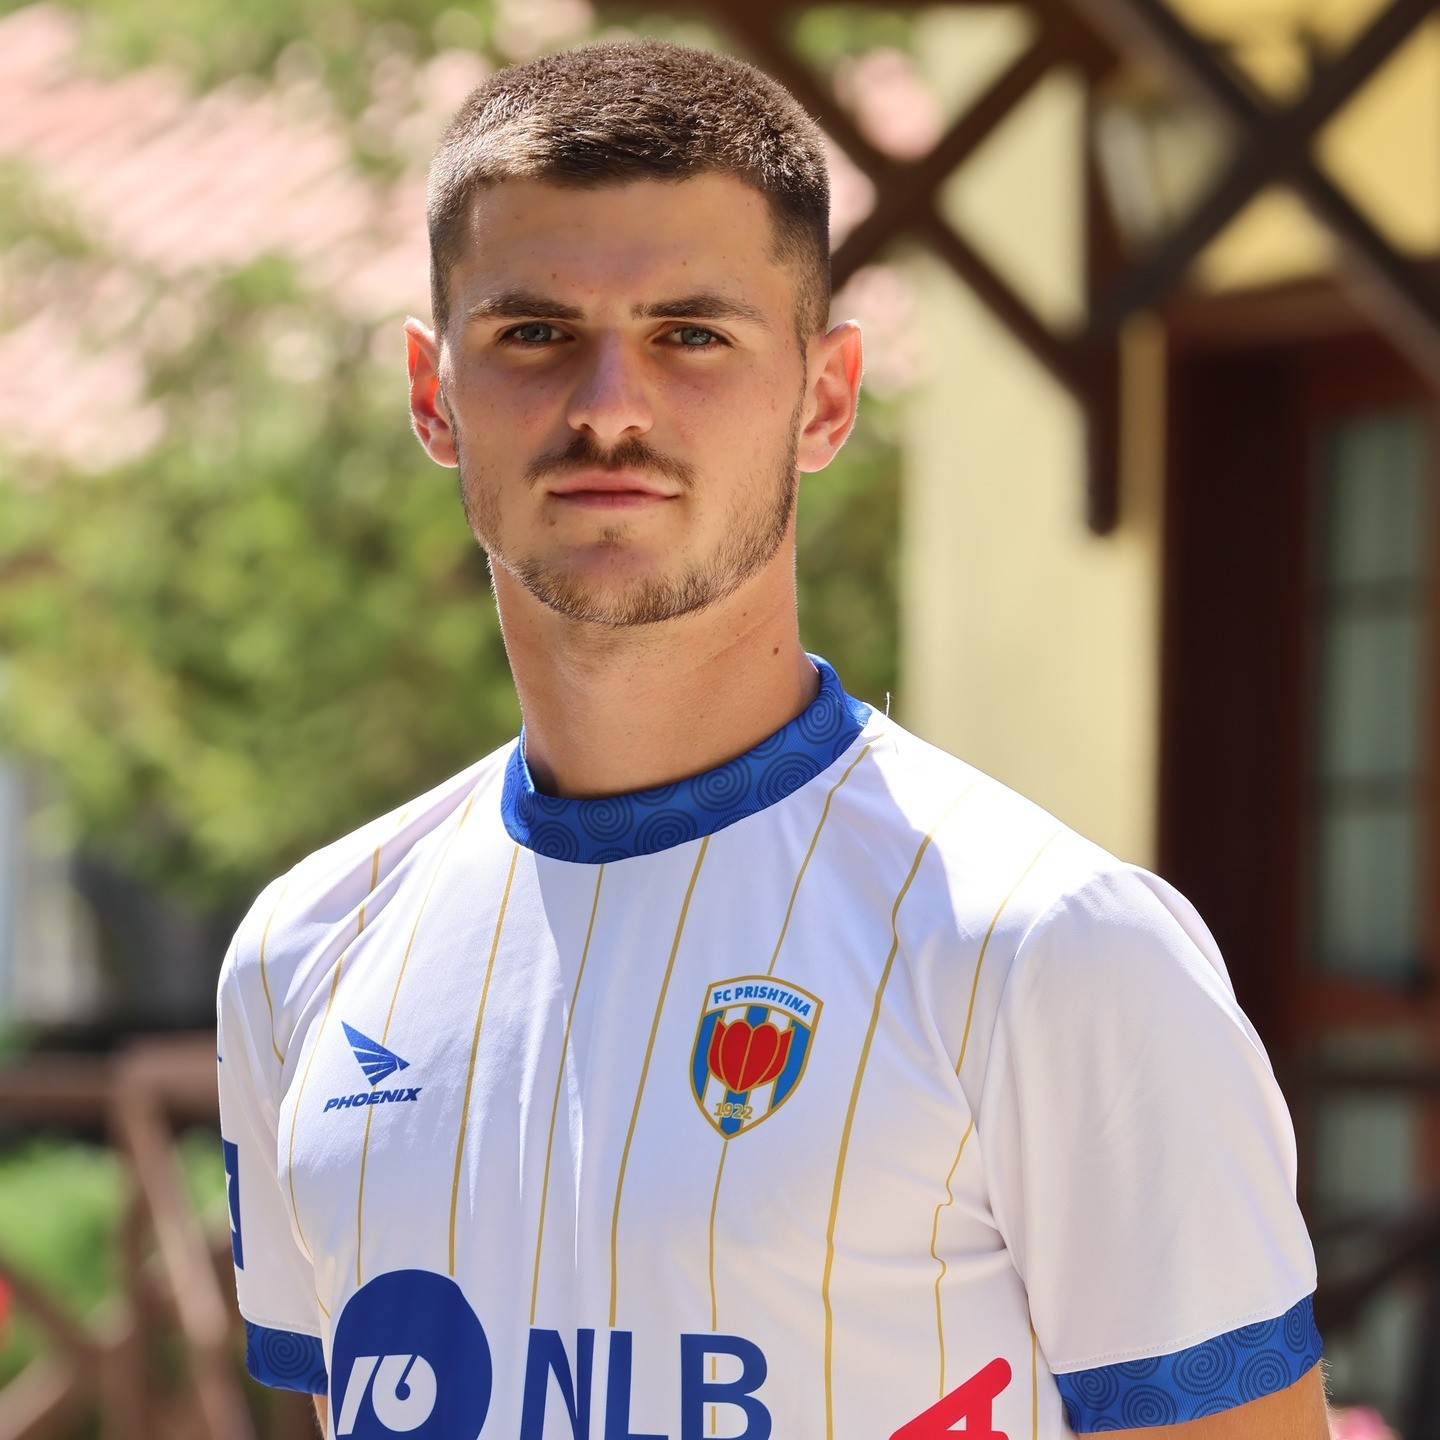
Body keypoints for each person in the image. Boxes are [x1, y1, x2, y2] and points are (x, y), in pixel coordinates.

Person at [216, 39, 1329, 1440]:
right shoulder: (303, 950)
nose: (608, 404)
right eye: (534, 333)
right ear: (434, 395)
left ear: (826, 396)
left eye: (691, 335)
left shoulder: (1053, 950)